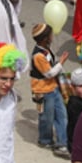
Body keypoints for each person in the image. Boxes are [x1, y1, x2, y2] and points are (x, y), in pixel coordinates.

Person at [29, 23, 69, 156]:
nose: (53, 36)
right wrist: (61, 62)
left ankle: (62, 143)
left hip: (53, 87)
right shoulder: (38, 56)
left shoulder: (46, 50)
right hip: (43, 91)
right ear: (45, 38)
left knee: (61, 115)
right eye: (51, 34)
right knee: (47, 117)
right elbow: (49, 73)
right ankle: (45, 140)